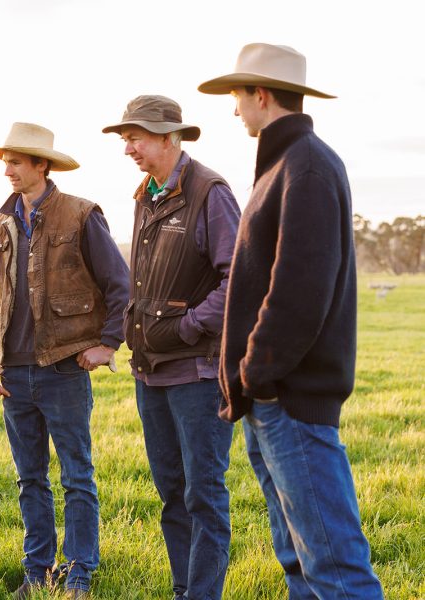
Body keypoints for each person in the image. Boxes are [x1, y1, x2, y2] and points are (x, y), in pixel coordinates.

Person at [199, 43, 384, 598]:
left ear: (260, 94)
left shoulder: (305, 166)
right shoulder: (283, 165)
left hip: (291, 400)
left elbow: (299, 292)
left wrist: (258, 373)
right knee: (298, 561)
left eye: (237, 96)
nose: (234, 110)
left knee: (334, 566)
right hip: (271, 400)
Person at [0, 122, 131, 599]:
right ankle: (37, 571)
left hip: (64, 368)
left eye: (16, 162)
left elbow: (120, 285)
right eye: (5, 162)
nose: (8, 171)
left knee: (77, 477)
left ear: (42, 165)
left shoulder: (81, 215)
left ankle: (80, 573)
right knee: (29, 479)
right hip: (13, 373)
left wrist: (108, 343)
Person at [101, 96, 240, 600]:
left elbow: (239, 280)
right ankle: (185, 590)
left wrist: (187, 329)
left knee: (203, 495)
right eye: (125, 140)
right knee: (171, 496)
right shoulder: (146, 195)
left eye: (135, 138)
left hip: (198, 375)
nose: (128, 149)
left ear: (168, 137)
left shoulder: (210, 192)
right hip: (151, 373)